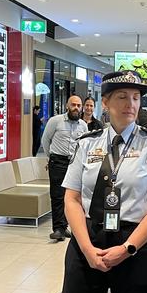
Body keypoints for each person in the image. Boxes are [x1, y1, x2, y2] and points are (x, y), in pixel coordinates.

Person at [61, 70, 147, 293]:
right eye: (123, 97)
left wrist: (127, 249)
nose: (131, 104)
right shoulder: (86, 144)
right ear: (106, 103)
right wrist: (87, 249)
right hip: (88, 239)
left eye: (136, 97)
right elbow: (72, 198)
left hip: (136, 243)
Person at [42, 95, 88, 241]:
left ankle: (66, 226)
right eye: (73, 105)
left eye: (79, 105)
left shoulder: (83, 125)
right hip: (58, 162)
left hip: (74, 163)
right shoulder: (55, 121)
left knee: (73, 196)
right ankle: (58, 229)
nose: (76, 108)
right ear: (67, 106)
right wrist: (51, 158)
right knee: (57, 196)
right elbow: (45, 140)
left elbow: (84, 145)